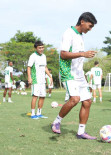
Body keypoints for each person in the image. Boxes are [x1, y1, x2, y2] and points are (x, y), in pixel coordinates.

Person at [51, 12, 97, 140]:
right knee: (75, 99)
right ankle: (56, 122)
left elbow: (78, 55)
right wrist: (83, 54)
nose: (90, 29)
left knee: (87, 101)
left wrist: (84, 55)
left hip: (79, 74)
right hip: (68, 73)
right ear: (82, 21)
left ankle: (81, 132)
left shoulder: (81, 36)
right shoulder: (68, 33)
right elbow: (64, 54)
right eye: (90, 26)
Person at [27, 41, 53, 119]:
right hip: (36, 79)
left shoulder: (44, 56)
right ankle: (33, 114)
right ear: (36, 48)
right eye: (40, 48)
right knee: (35, 96)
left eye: (42, 47)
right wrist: (29, 77)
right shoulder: (33, 56)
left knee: (42, 96)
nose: (41, 49)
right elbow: (29, 67)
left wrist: (50, 76)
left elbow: (45, 67)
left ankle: (39, 113)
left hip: (42, 80)